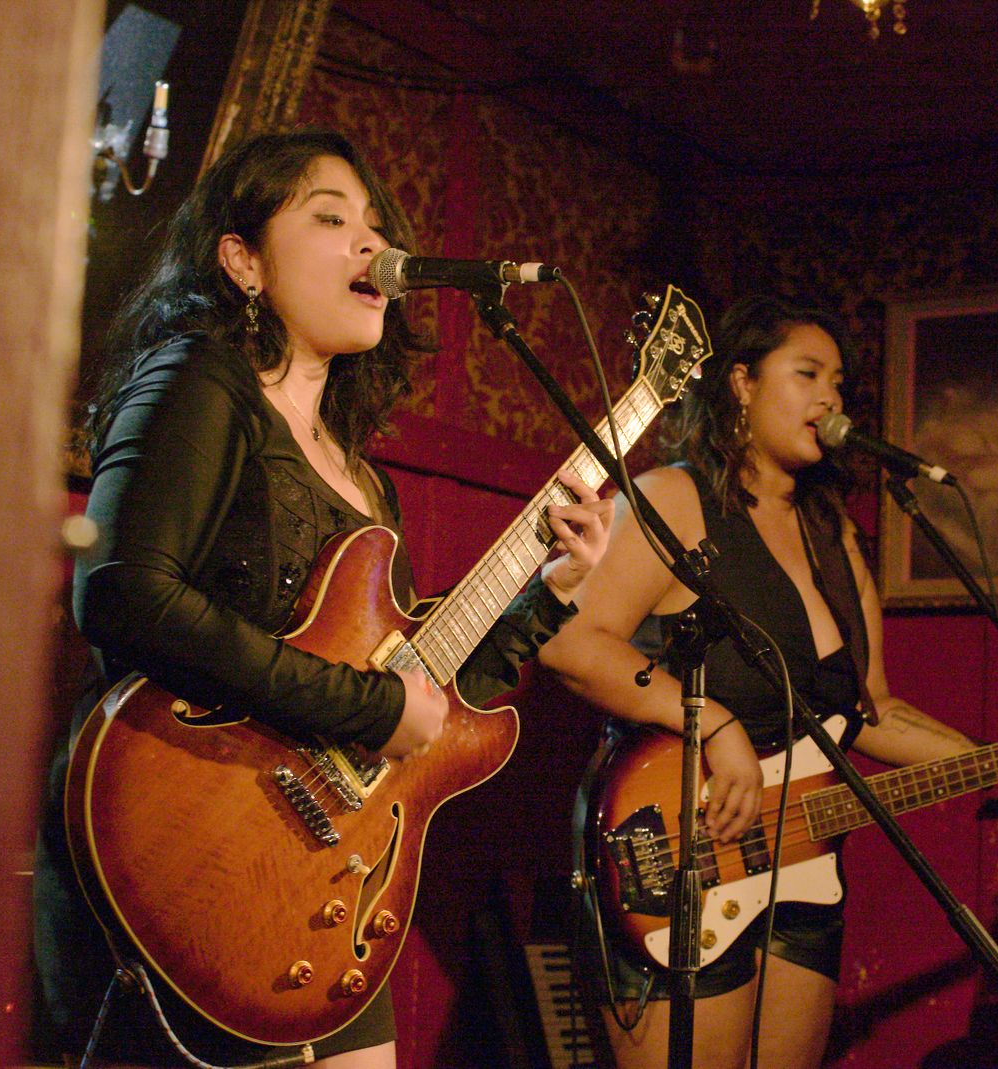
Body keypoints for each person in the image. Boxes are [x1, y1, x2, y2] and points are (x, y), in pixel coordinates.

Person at [32, 128, 613, 1069]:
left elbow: (428, 702)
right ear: (242, 261)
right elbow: (123, 592)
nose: (371, 244)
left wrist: (550, 595)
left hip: (325, 890)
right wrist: (370, 706)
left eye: (375, 224)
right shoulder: (198, 380)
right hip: (193, 856)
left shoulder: (362, 477)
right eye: (331, 219)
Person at [537, 295, 998, 1069]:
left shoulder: (836, 538)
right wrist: (715, 722)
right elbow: (569, 644)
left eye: (838, 383)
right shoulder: (673, 499)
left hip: (801, 869)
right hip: (682, 850)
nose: (830, 397)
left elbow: (872, 709)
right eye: (807, 373)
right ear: (742, 382)